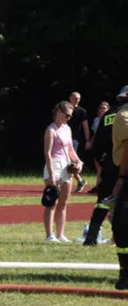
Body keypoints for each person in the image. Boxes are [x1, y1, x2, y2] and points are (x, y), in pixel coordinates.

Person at [43, 101, 85, 242]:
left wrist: (78, 161)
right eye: (67, 115)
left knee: (63, 202)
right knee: (52, 201)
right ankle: (50, 235)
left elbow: (70, 150)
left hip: (66, 165)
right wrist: (52, 174)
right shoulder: (51, 130)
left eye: (70, 116)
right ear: (58, 112)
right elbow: (47, 153)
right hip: (54, 165)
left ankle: (60, 234)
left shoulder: (67, 128)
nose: (68, 118)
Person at [82, 94, 120, 246]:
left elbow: (96, 144)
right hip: (123, 167)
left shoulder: (107, 116)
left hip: (109, 166)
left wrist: (104, 163)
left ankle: (91, 237)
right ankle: (119, 237)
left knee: (102, 202)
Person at [106, 87, 128, 289]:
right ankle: (124, 272)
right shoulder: (123, 117)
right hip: (125, 174)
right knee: (121, 225)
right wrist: (121, 179)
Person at [67, 91, 88, 192]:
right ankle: (80, 181)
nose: (77, 100)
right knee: (67, 162)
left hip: (74, 139)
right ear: (70, 98)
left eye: (78, 99)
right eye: (75, 98)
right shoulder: (65, 109)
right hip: (63, 138)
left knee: (70, 162)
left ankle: (78, 181)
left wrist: (88, 140)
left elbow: (85, 126)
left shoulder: (82, 111)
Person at [88, 101, 110, 190]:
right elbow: (94, 133)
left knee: (105, 167)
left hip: (106, 146)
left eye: (104, 108)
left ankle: (103, 186)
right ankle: (98, 186)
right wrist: (90, 142)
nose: (101, 110)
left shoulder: (109, 119)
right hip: (97, 145)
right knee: (98, 167)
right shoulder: (96, 120)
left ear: (108, 109)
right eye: (100, 108)